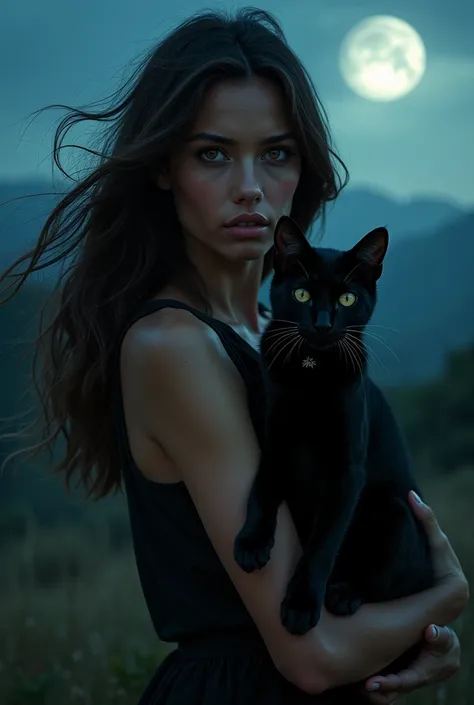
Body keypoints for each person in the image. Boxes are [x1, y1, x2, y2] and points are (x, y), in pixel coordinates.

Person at [0, 8, 468, 705]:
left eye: (276, 153)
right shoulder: (175, 347)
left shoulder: (267, 335)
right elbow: (312, 656)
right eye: (213, 153)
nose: (249, 185)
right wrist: (448, 598)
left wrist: (409, 639)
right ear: (164, 167)